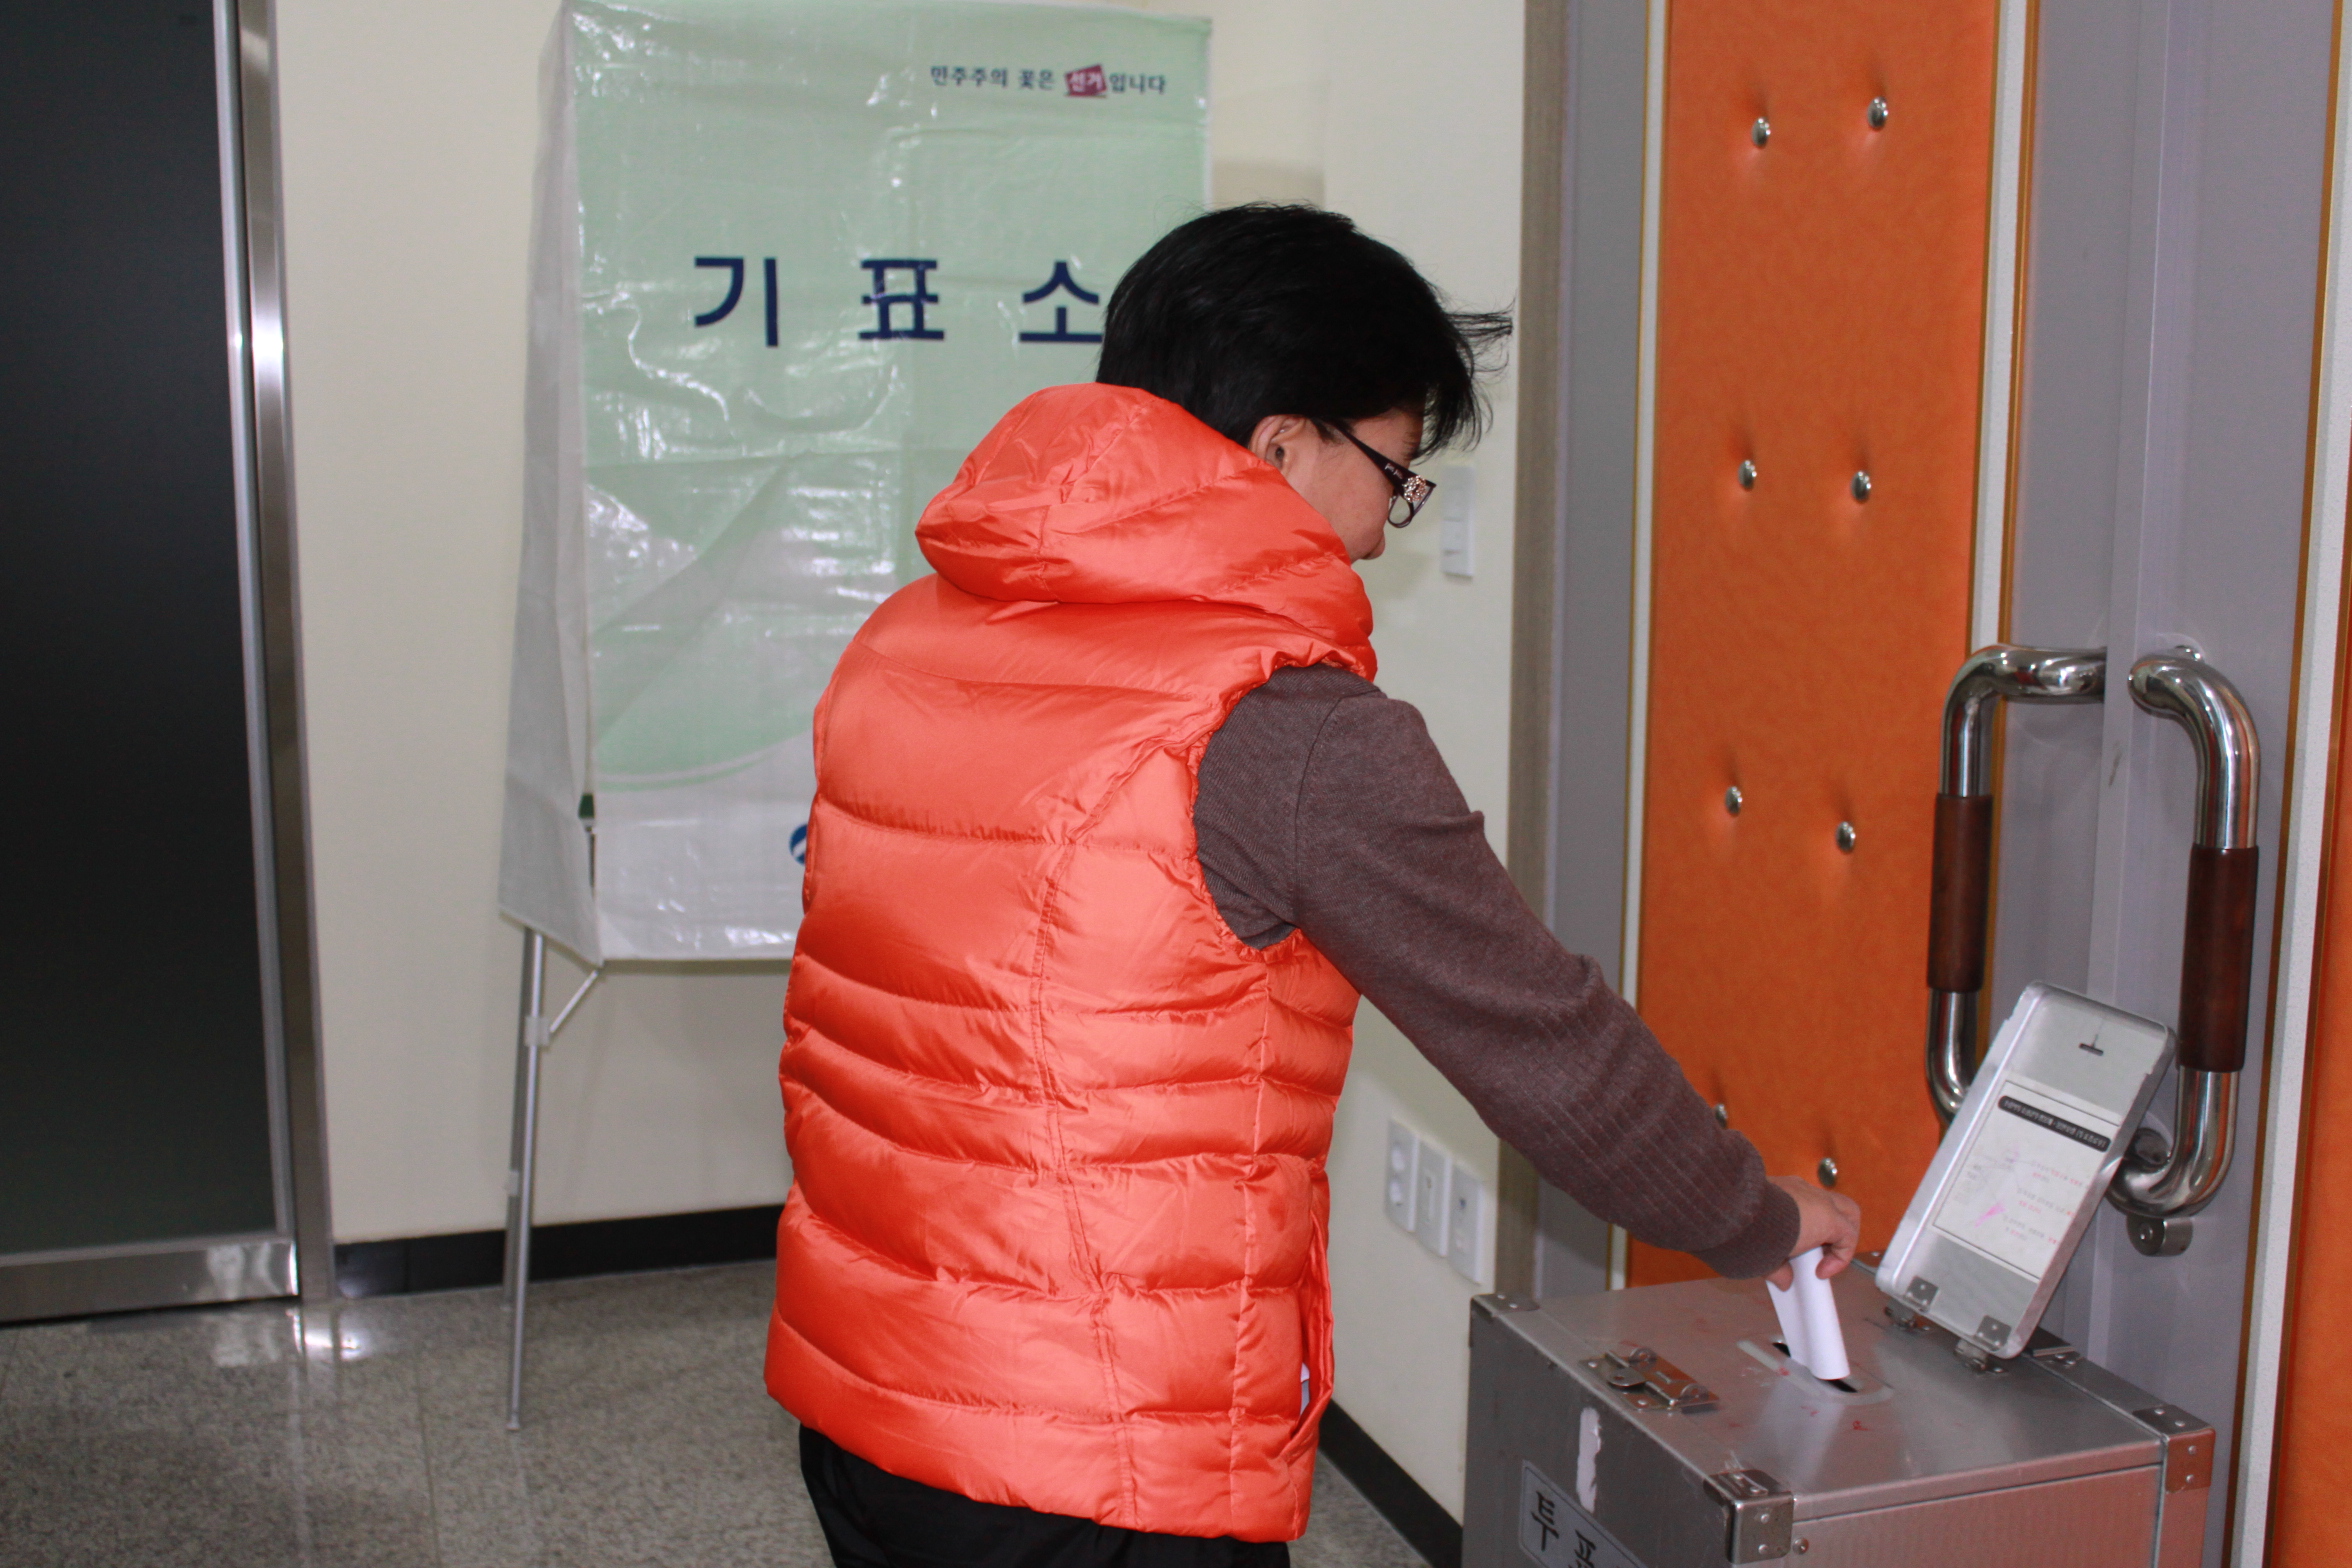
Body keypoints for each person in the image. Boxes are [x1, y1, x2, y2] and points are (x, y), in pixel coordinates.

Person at [767, 204, 1861, 1568]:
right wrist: (1757, 1214)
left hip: (869, 1396)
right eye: (1394, 473)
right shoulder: (1284, 726)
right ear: (1282, 444)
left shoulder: (906, 641)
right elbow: (1542, 1037)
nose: (1384, 536)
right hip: (1096, 1464)